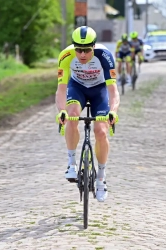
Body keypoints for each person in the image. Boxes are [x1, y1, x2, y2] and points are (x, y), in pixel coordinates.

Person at [55, 26, 120, 202]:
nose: (82, 54)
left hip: (99, 91)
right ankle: (71, 164)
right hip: (77, 89)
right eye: (78, 50)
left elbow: (113, 91)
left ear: (93, 46)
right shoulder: (66, 56)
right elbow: (61, 90)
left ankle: (101, 178)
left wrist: (113, 112)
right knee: (72, 114)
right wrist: (61, 110)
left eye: (86, 50)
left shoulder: (105, 56)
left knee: (100, 130)